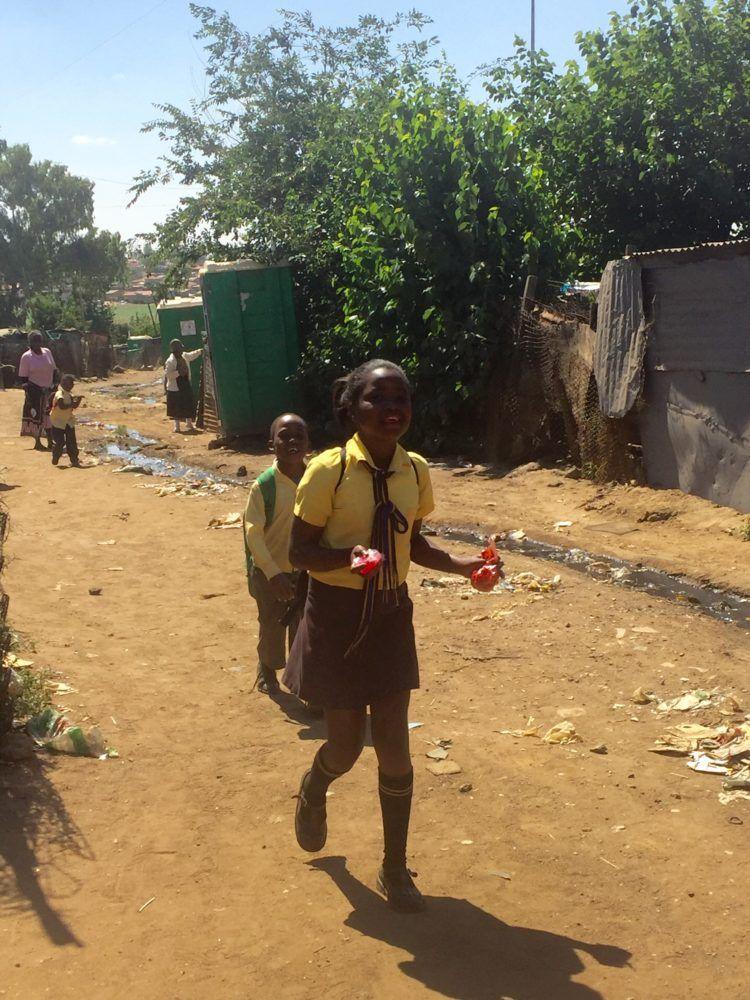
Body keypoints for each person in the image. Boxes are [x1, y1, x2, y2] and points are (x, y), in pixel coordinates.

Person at [284, 359, 485, 913]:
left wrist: (465, 566)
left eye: (402, 400)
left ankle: (395, 868)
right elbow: (298, 552)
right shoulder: (328, 472)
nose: (393, 410)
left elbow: (414, 544)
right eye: (378, 399)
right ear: (351, 409)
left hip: (392, 613)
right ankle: (316, 784)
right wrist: (348, 559)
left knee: (394, 744)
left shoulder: (415, 471)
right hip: (338, 615)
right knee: (347, 748)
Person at [243, 413, 310, 695]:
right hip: (269, 572)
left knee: (302, 628)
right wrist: (272, 574)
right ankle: (267, 668)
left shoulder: (317, 480)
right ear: (272, 444)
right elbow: (253, 535)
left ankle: (301, 684)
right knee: (271, 625)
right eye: (284, 435)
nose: (292, 440)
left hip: (306, 572)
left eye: (299, 435)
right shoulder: (264, 486)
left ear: (309, 443)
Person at [18, 332, 56, 450]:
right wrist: (29, 392)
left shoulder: (47, 352)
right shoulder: (26, 357)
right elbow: (23, 378)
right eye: (35, 341)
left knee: (49, 416)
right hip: (35, 392)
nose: (38, 343)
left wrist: (54, 385)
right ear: (30, 342)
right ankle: (38, 442)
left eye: (39, 340)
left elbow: (54, 370)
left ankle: (50, 441)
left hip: (49, 391)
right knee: (36, 417)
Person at [164, 339, 203, 433]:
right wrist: (178, 372)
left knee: (188, 403)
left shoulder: (184, 356)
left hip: (185, 383)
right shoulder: (170, 361)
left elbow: (192, 355)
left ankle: (189, 424)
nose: (181, 351)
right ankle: (177, 427)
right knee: (176, 407)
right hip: (175, 386)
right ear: (175, 350)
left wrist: (201, 351)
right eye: (179, 349)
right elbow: (168, 375)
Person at [49, 374, 82, 467]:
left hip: (68, 421)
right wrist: (72, 403)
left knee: (71, 441)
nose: (72, 385)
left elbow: (74, 406)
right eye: (70, 383)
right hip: (57, 421)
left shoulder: (69, 394)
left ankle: (74, 459)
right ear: (63, 383)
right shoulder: (59, 394)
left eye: (72, 383)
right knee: (60, 442)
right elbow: (62, 406)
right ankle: (56, 455)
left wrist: (78, 400)